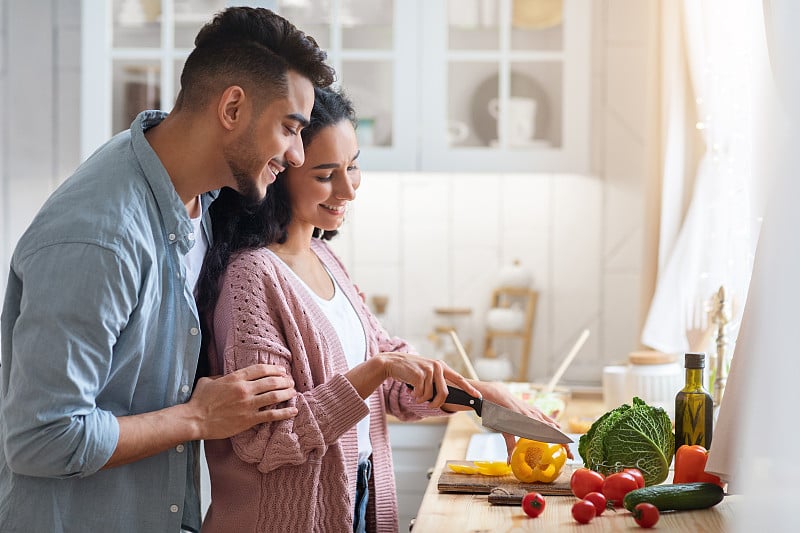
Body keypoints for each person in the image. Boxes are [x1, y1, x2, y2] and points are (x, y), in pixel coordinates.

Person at [0, 7, 335, 533]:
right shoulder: (100, 236)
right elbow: (41, 438)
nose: (296, 154)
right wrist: (199, 418)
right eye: (289, 129)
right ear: (232, 107)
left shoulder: (196, 198)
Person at [196, 86, 559, 533]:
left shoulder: (323, 258)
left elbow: (389, 384)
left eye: (353, 166)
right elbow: (267, 439)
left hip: (358, 498)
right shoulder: (250, 279)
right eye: (326, 174)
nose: (348, 188)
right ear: (279, 175)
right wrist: (379, 369)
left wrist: (479, 393)